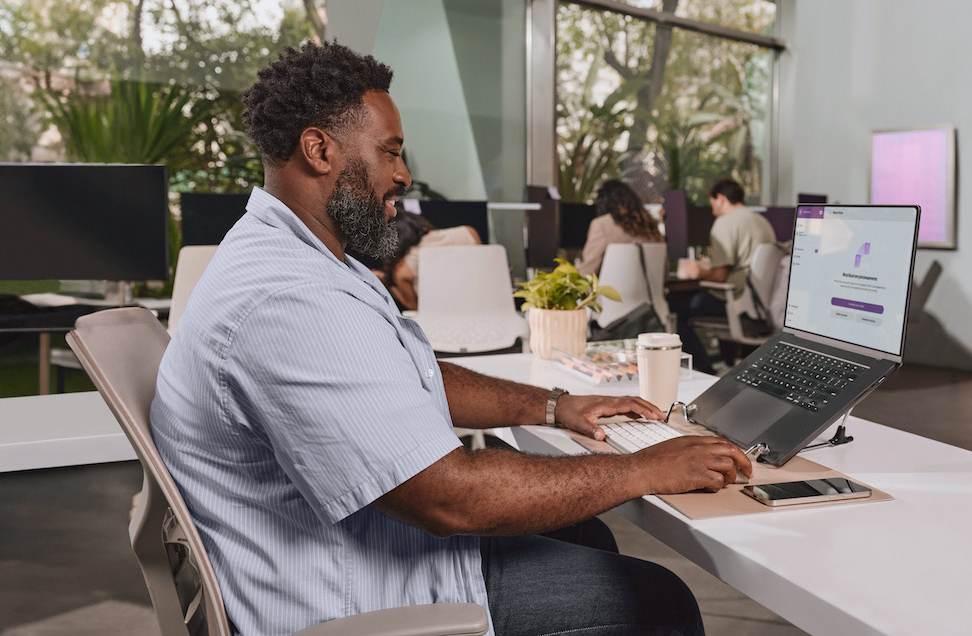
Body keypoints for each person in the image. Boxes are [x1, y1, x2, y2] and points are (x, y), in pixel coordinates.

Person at [150, 41, 751, 636]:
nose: (402, 174)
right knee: (661, 602)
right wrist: (644, 469)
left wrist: (553, 405)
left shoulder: (306, 258)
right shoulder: (288, 298)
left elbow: (409, 371)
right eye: (389, 152)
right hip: (363, 598)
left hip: (371, 551)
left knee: (586, 531)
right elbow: (450, 499)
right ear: (319, 149)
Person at [675, 178, 777, 372]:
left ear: (720, 198)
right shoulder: (762, 221)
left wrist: (698, 271)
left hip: (736, 302)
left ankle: (705, 370)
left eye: (712, 202)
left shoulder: (725, 222)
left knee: (676, 309)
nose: (711, 208)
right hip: (761, 305)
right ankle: (730, 363)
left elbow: (720, 276)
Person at [378, 208, 482, 310]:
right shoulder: (469, 233)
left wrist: (391, 286)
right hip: (481, 306)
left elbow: (413, 306)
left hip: (439, 316)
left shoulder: (404, 268)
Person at [577, 179, 664, 277]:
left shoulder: (602, 225)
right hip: (652, 292)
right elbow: (664, 273)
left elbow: (587, 272)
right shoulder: (652, 227)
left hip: (611, 292)